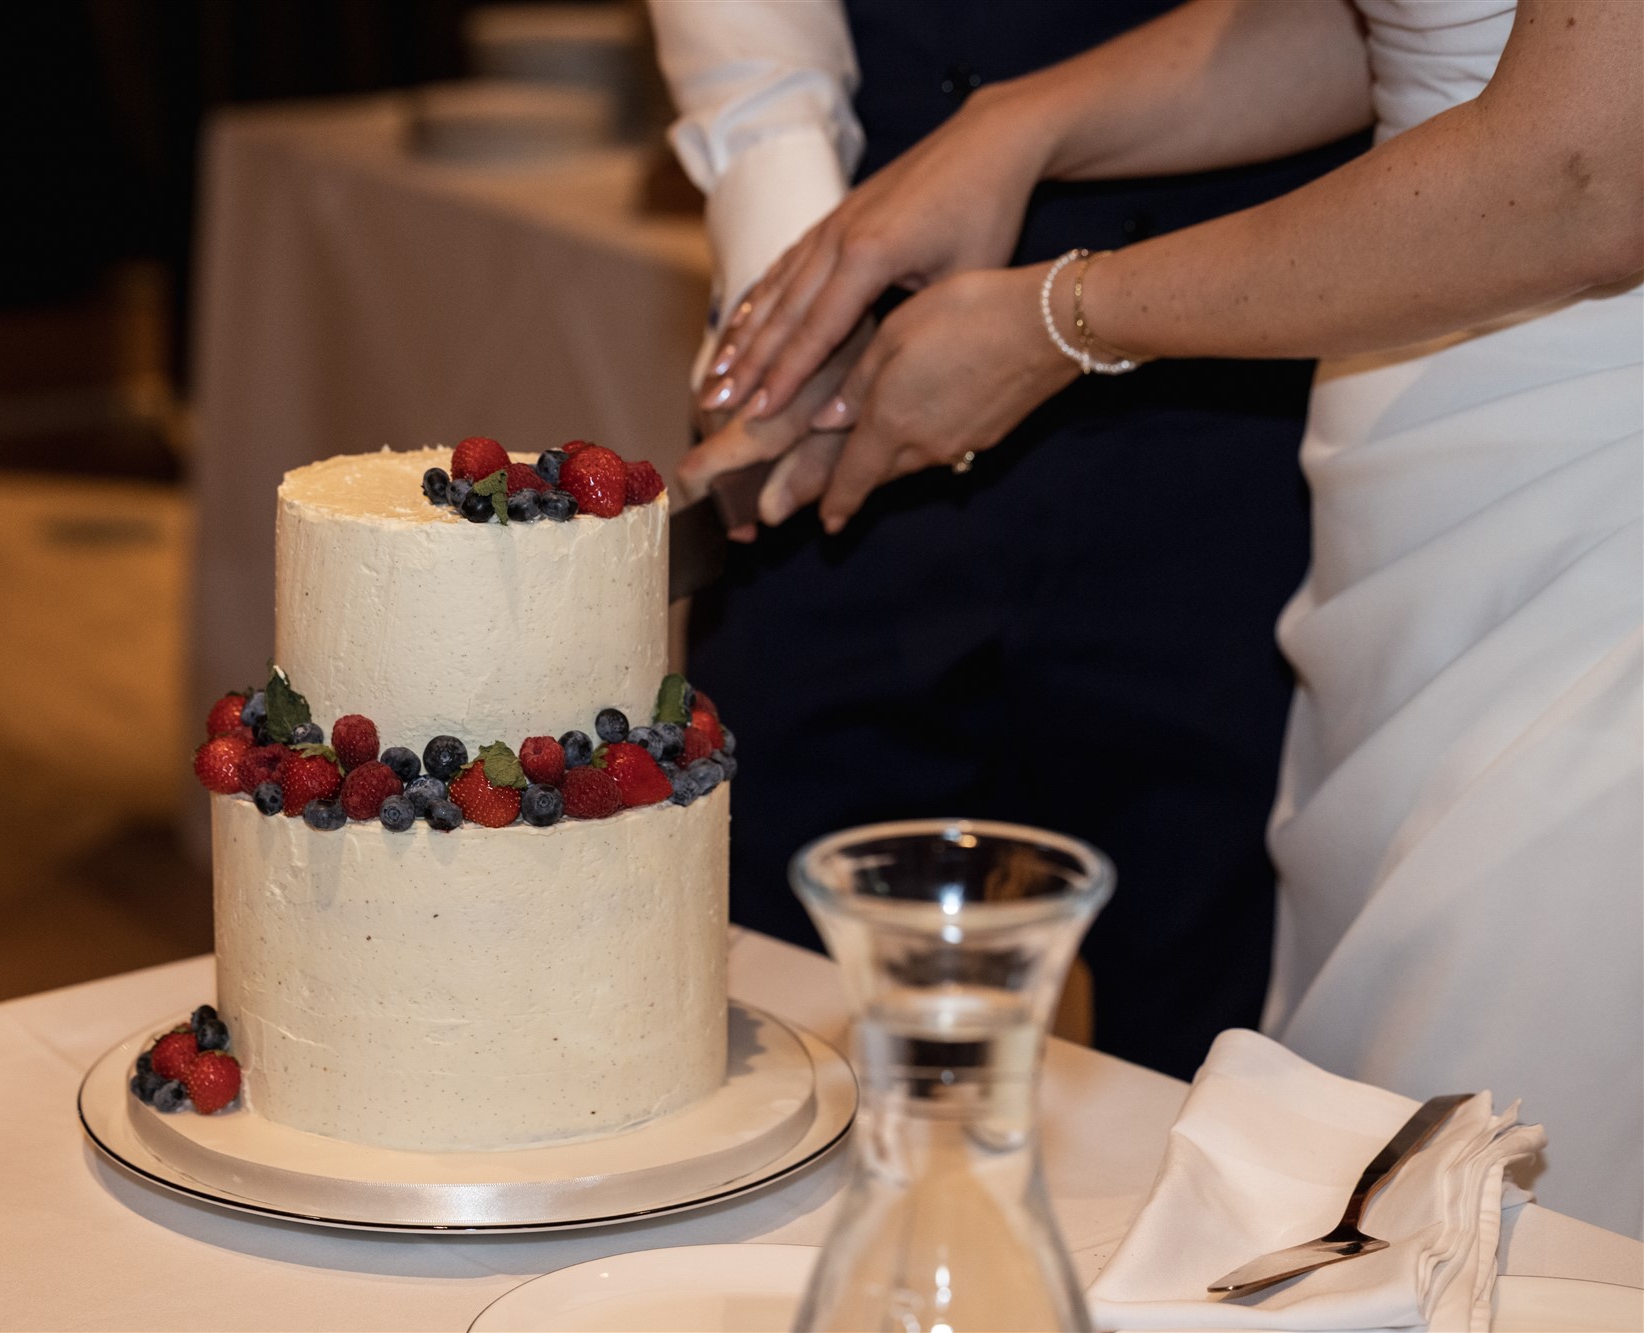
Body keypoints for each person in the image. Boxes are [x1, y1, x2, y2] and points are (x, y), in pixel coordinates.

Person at [694, 0, 1643, 1238]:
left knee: (1484, 1171)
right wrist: (1021, 126)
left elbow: (1581, 174)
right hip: (1412, 460)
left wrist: (1063, 318)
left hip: (1586, 495)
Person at [651, 0, 1364, 1080]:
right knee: (757, 1032)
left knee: (1209, 1053)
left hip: (1239, 426)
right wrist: (807, 299)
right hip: (837, 471)